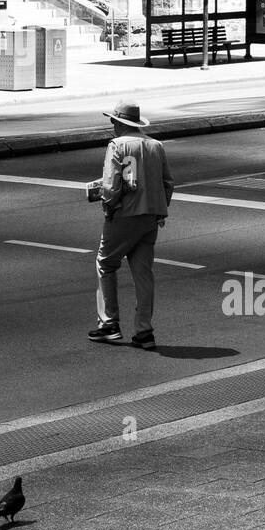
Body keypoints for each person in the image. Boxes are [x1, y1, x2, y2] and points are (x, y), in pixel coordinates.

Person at [87, 101, 174, 350]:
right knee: (143, 273)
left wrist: (108, 206)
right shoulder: (156, 146)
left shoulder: (117, 145)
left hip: (125, 214)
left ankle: (109, 324)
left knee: (105, 263)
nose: (111, 125)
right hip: (151, 217)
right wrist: (160, 209)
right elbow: (168, 182)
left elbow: (112, 184)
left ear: (120, 123)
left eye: (113, 121)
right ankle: (144, 331)